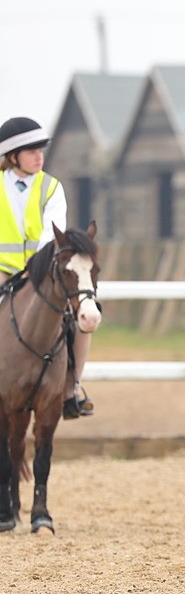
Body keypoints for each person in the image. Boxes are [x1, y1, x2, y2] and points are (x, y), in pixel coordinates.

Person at [0, 116, 94, 419]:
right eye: (32, 151)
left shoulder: (52, 187)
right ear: (13, 156)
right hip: (1, 268)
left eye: (41, 150)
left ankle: (71, 388)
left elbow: (52, 233)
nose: (39, 156)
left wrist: (34, 269)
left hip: (40, 271)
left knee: (81, 317)